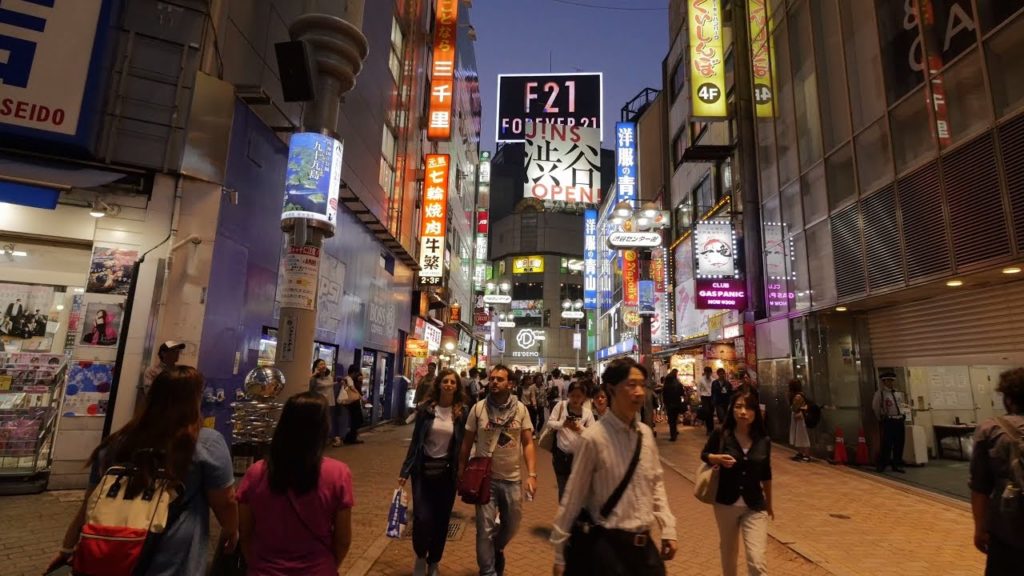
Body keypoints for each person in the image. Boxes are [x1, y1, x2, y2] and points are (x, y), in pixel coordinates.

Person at [46, 366, 237, 576]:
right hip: (174, 560)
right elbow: (225, 500)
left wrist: (67, 547)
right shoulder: (205, 443)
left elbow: (91, 501)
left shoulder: (116, 443)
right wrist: (231, 530)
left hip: (109, 556)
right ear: (194, 400)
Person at [551, 357, 678, 576]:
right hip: (607, 550)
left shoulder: (645, 435)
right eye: (631, 385)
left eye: (642, 384)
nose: (639, 392)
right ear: (611, 389)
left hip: (645, 549)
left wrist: (668, 527)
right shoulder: (593, 439)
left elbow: (656, 483)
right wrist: (560, 553)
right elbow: (573, 496)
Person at [237, 392, 354, 575]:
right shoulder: (338, 473)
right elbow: (343, 540)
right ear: (322, 428)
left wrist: (257, 565)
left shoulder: (256, 473)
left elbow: (245, 533)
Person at [459, 364, 537, 576]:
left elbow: (528, 442)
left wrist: (532, 474)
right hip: (485, 479)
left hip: (512, 479)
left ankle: (498, 547)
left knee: (512, 525)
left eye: (499, 379)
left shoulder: (521, 409)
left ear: (510, 384)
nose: (493, 382)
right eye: (492, 378)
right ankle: (488, 571)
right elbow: (466, 443)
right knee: (484, 530)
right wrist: (461, 470)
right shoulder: (478, 409)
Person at [399, 368, 469, 576]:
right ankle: (421, 556)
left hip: (447, 472)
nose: (448, 385)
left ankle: (434, 561)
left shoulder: (461, 412)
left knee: (441, 519)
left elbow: (464, 444)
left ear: (457, 387)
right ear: (438, 384)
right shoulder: (426, 410)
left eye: (452, 382)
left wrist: (462, 471)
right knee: (421, 517)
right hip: (422, 470)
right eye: (445, 381)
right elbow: (415, 442)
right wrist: (405, 470)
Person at [701, 386, 774, 576]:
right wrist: (716, 458)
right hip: (725, 502)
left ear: (755, 412)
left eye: (749, 408)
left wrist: (770, 504)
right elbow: (704, 455)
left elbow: (766, 473)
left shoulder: (763, 440)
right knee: (729, 551)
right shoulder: (721, 434)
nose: (743, 412)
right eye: (738, 407)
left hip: (755, 504)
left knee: (757, 561)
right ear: (732, 408)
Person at [969, 367, 1024, 575]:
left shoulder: (991, 429)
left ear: (1008, 399)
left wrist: (980, 528)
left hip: (1006, 528)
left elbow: (979, 486)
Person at [547, 380, 596, 500]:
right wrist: (563, 424)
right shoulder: (561, 406)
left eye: (579, 396)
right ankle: (564, 515)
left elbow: (592, 434)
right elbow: (550, 423)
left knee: (578, 490)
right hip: (560, 455)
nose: (575, 399)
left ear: (584, 397)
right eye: (572, 395)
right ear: (568, 395)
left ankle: (575, 516)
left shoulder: (587, 413)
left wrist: (578, 428)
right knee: (563, 490)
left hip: (579, 457)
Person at [872, 370, 907, 473]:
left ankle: (897, 463)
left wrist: (904, 415)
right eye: (888, 381)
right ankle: (882, 464)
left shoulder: (897, 393)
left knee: (899, 443)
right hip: (889, 420)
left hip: (899, 420)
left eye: (891, 380)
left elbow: (902, 405)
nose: (890, 383)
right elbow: (875, 407)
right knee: (887, 444)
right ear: (884, 382)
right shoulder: (880, 394)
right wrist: (880, 418)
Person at [310, 359, 341, 447]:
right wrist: (314, 374)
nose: (323, 366)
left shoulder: (329, 376)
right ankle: (321, 439)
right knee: (321, 421)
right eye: (320, 364)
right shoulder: (314, 378)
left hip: (331, 402)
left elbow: (332, 386)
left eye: (324, 364)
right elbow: (310, 388)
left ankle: (335, 438)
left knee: (332, 421)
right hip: (320, 403)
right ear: (316, 367)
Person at [339, 364, 365, 445]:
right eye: (357, 372)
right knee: (357, 420)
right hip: (353, 402)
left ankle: (351, 438)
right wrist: (360, 396)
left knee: (356, 420)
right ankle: (349, 438)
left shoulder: (349, 378)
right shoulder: (349, 378)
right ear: (354, 372)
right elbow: (352, 388)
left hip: (352, 402)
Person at [788, 379, 811, 462]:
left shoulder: (798, 396)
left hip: (800, 418)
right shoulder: (800, 395)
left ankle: (806, 455)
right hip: (798, 417)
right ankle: (801, 453)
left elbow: (794, 408)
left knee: (802, 435)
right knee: (799, 435)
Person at [662, 369, 684, 442]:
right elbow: (682, 393)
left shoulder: (666, 386)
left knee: (671, 421)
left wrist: (665, 404)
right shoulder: (678, 384)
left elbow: (664, 396)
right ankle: (675, 431)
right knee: (674, 419)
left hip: (669, 405)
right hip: (677, 404)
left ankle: (673, 435)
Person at [698, 366, 715, 435]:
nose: (708, 374)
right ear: (704, 372)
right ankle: (709, 429)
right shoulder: (701, 380)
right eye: (706, 372)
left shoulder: (713, 380)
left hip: (711, 397)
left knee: (711, 413)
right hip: (704, 397)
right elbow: (698, 389)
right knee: (707, 412)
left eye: (709, 372)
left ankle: (711, 429)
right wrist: (699, 398)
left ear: (711, 373)